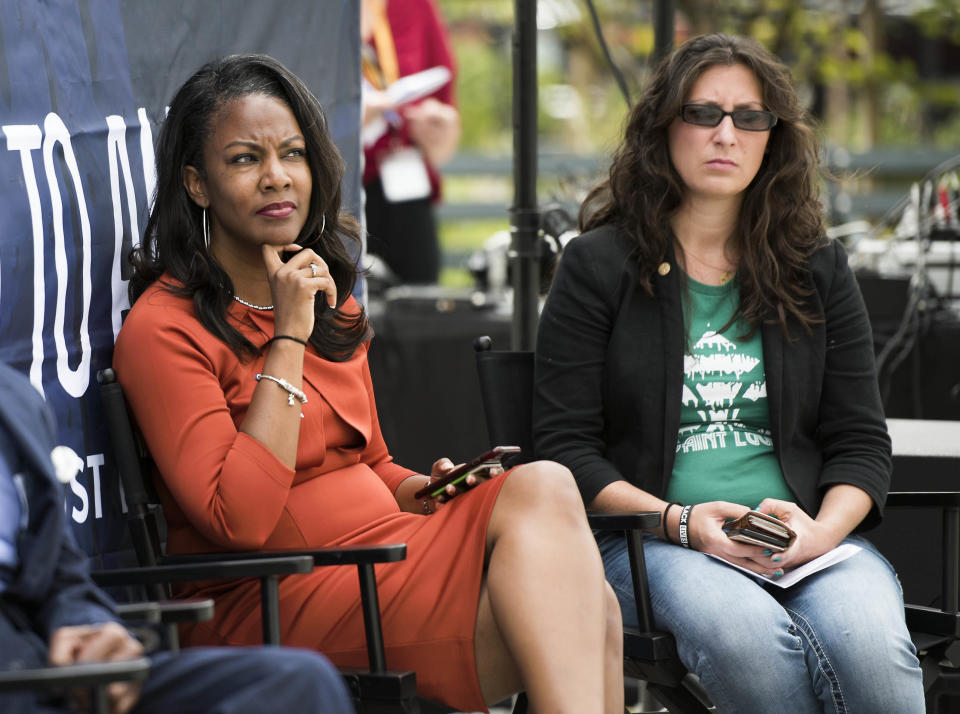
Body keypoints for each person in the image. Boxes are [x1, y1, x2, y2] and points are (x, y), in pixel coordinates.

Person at [112, 53, 622, 713]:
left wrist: (426, 489)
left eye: (292, 154)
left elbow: (370, 462)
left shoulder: (332, 300)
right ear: (197, 183)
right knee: (575, 577)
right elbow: (238, 519)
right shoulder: (165, 329)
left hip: (385, 559)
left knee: (569, 551)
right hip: (273, 600)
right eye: (244, 160)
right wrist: (287, 340)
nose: (276, 178)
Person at [533, 33, 926, 713]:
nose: (727, 134)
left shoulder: (816, 269)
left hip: (802, 543)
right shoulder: (598, 267)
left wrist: (820, 534)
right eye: (703, 113)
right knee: (751, 644)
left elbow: (861, 444)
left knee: (875, 652)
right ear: (664, 127)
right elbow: (564, 451)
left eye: (749, 117)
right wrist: (682, 521)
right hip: (651, 542)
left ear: (773, 138)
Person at [0, 361, 353, 714]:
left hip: (59, 671)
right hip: (17, 678)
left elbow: (63, 579)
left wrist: (93, 628)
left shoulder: (14, 400)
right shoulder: (170, 334)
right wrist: (289, 341)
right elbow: (240, 519)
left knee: (302, 682)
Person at [360, 0, 460, 284]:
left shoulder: (416, 5)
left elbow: (446, 104)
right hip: (332, 186)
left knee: (420, 312)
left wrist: (438, 128)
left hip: (404, 185)